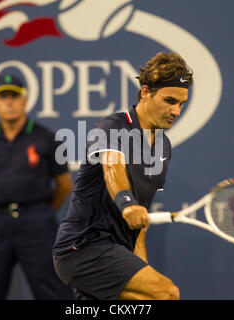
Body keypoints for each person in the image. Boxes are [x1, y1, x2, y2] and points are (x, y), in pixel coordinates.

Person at [52, 52, 193, 300]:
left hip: (117, 251)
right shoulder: (113, 126)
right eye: (170, 100)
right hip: (83, 246)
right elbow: (112, 168)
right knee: (166, 293)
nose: (176, 111)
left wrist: (143, 267)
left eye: (181, 104)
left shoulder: (163, 148)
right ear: (145, 92)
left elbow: (140, 226)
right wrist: (127, 204)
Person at [0, 73, 75, 300]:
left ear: (25, 101)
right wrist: (0, 208)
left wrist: (40, 210)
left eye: (14, 96)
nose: (9, 102)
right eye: (3, 97)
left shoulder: (47, 138)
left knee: (53, 291)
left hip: (37, 224)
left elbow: (64, 185)